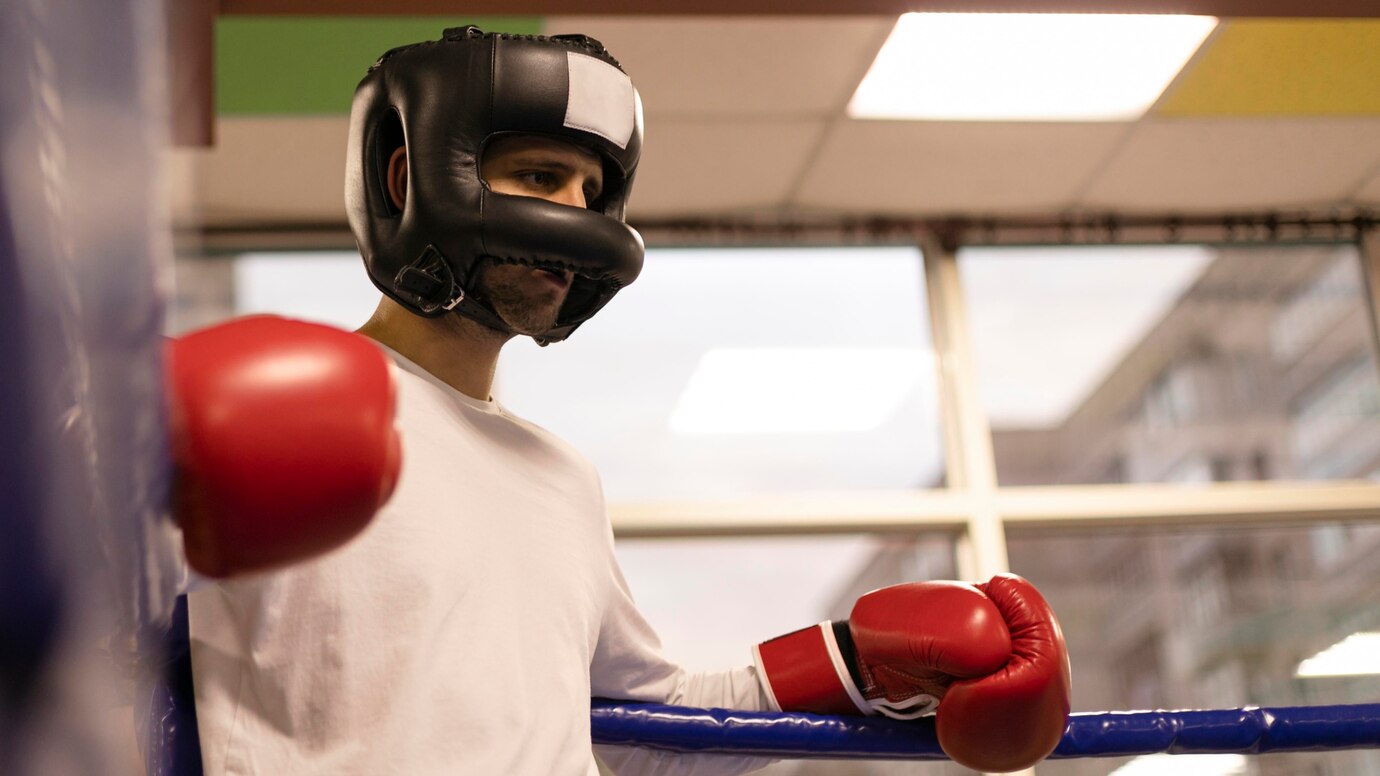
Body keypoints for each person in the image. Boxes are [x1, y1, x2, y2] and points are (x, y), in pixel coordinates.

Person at [175, 27, 1070, 775]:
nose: (573, 216)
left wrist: (858, 663)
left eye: (591, 192)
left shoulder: (559, 480)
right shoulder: (256, 413)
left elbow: (647, 733)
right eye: (538, 177)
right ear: (413, 182)